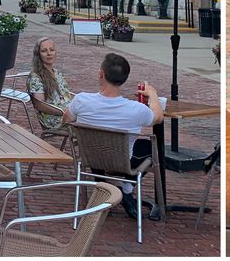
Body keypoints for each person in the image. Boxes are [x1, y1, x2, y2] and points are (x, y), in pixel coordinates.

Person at [63, 53, 163, 219]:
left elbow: (67, 120)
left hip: (91, 156)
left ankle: (101, 188)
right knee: (150, 147)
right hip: (122, 161)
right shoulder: (136, 109)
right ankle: (127, 189)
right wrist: (152, 95)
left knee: (94, 140)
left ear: (100, 73)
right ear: (124, 78)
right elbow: (157, 117)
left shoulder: (81, 100)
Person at [27, 37, 74, 130]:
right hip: (54, 119)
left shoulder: (57, 73)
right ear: (38, 55)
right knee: (89, 121)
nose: (49, 53)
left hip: (68, 113)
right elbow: (40, 105)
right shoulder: (35, 77)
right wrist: (63, 112)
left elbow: (66, 95)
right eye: (44, 51)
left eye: (52, 50)